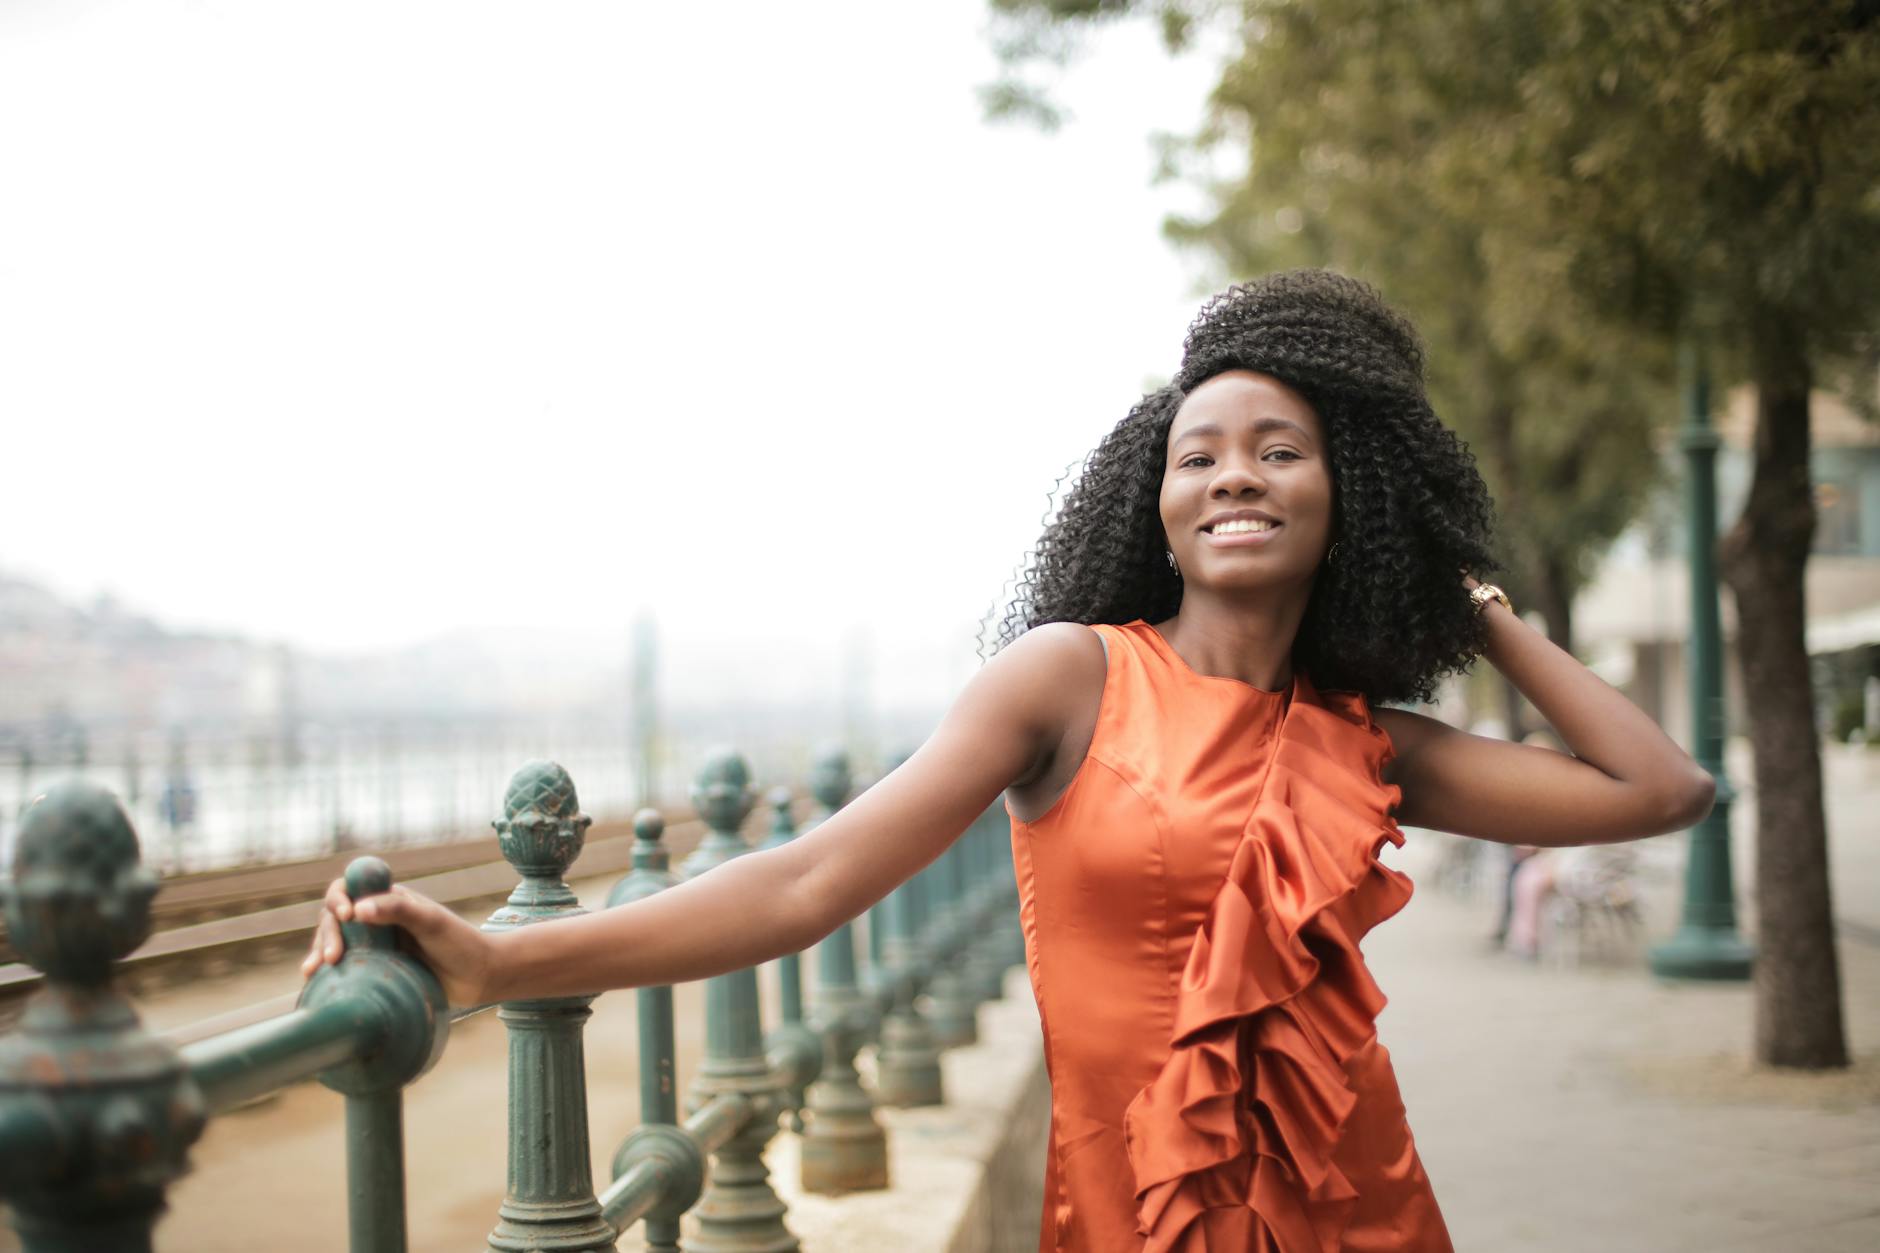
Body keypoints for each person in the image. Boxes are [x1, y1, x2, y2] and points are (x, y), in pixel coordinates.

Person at [302, 271, 1713, 1252]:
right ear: (1154, 508)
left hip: (1358, 1206)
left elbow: (1659, 789)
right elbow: (807, 883)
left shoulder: (1367, 738)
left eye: (1280, 451)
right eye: (1198, 453)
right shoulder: (1067, 678)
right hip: (1125, 1212)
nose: (1233, 473)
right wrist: (498, 963)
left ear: (1348, 500)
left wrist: (1468, 595)